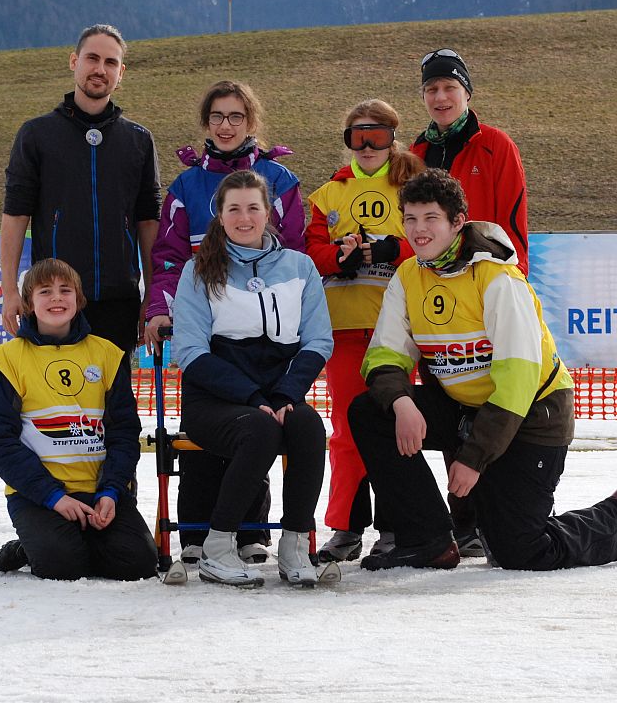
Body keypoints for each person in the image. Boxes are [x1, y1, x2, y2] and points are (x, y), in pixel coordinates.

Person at [349, 169, 617, 573]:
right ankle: (429, 541)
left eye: (431, 219)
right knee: (371, 410)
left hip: (530, 416)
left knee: (518, 551)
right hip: (465, 411)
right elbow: (384, 352)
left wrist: (473, 458)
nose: (419, 230)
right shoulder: (408, 275)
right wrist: (401, 401)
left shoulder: (497, 278)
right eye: (411, 219)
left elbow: (517, 383)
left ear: (457, 222)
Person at [142, 80, 302, 566]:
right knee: (208, 428)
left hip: (260, 330)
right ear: (206, 123)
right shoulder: (186, 186)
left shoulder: (279, 179)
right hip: (202, 328)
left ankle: (251, 530)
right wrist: (158, 308)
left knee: (259, 420)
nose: (226, 126)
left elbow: (293, 252)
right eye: (217, 117)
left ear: (250, 121)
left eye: (236, 116)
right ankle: (194, 532)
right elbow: (169, 258)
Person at [171, 170, 334, 587]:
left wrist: (284, 395)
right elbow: (190, 352)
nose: (245, 218)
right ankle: (217, 547)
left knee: (309, 426)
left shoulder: (300, 267)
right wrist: (252, 396)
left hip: (277, 394)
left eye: (253, 208)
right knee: (259, 429)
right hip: (214, 399)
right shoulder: (198, 270)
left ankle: (296, 547)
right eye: (234, 209)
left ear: (269, 213)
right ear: (220, 215)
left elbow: (318, 340)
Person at [412, 47, 530, 556]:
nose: (440, 97)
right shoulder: (415, 151)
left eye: (449, 88)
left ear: (466, 93)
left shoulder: (495, 146)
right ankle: (463, 520)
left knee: (493, 398)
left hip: (488, 292)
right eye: (431, 89)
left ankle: (499, 510)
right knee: (446, 401)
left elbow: (515, 220)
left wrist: (512, 282)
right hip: (435, 298)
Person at [0, 258, 158, 581]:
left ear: (79, 299)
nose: (57, 298)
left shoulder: (107, 354)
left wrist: (112, 491)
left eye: (65, 290)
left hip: (100, 492)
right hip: (41, 496)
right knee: (63, 566)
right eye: (45, 291)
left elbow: (124, 432)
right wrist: (53, 497)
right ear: (29, 303)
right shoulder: (8, 360)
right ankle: (28, 547)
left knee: (139, 563)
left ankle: (68, 539)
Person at [304, 99, 423, 562]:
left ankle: (396, 525)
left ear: (393, 137)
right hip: (346, 327)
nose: (368, 145)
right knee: (346, 430)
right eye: (357, 137)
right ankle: (346, 526)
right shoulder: (327, 195)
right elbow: (309, 252)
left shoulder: (412, 186)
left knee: (400, 427)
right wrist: (341, 256)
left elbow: (433, 243)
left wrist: (396, 248)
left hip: (398, 329)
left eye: (377, 135)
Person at [0, 23, 161, 352]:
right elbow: (15, 215)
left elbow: (148, 221)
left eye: (111, 62)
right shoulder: (36, 135)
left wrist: (154, 297)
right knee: (54, 400)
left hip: (119, 301)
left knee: (114, 401)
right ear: (74, 61)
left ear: (121, 72)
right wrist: (10, 291)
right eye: (92, 58)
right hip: (54, 298)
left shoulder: (138, 141)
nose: (100, 69)